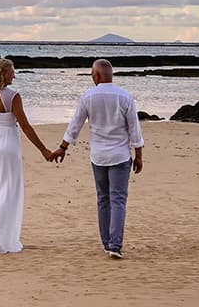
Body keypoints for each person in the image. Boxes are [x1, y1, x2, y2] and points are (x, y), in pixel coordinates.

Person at [54, 58, 145, 259]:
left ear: (96, 75)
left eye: (92, 74)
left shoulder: (88, 97)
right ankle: (115, 245)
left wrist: (63, 148)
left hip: (99, 157)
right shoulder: (125, 97)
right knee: (118, 199)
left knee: (103, 199)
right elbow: (134, 129)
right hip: (120, 155)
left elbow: (75, 125)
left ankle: (107, 242)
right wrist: (139, 155)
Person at [0, 57, 61, 253]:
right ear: (5, 73)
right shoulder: (13, 96)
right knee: (8, 191)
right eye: (12, 72)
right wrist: (44, 150)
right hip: (9, 146)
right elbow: (25, 126)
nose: (14, 75)